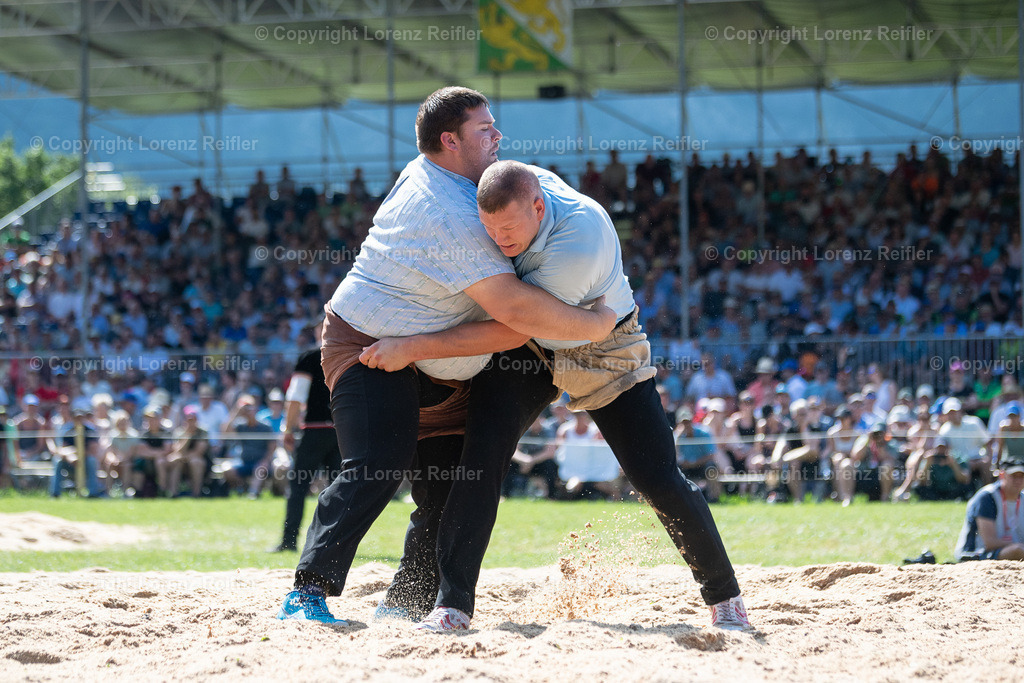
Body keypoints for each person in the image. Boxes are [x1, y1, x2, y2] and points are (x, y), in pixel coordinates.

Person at [360, 160, 748, 631]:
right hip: (531, 346)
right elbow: (519, 321)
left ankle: (725, 597)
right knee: (478, 460)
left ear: (539, 206)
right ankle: (453, 605)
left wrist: (411, 347)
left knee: (656, 475)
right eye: (490, 229)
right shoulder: (509, 193)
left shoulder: (579, 238)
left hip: (604, 341)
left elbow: (510, 327)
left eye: (508, 229)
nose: (499, 240)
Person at [277, 87, 616, 625]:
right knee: (376, 466)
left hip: (433, 362)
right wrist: (599, 323)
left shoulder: (451, 180)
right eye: (485, 128)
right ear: (449, 141)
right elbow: (514, 316)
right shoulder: (447, 208)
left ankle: (407, 602)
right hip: (369, 347)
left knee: (449, 488)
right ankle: (307, 593)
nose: (497, 135)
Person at [272, 325, 342, 553]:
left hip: (314, 431)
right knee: (340, 490)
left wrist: (288, 429)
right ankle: (335, 543)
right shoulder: (347, 355)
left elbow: (295, 397)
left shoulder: (310, 358)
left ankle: (289, 541)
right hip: (342, 432)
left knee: (299, 487)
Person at [954, 454, 1024, 561]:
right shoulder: (988, 497)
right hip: (976, 553)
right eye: (1014, 476)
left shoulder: (1022, 498)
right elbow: (990, 542)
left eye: (1022, 476)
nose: (1018, 480)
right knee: (1017, 551)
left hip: (1010, 549)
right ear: (1002, 475)